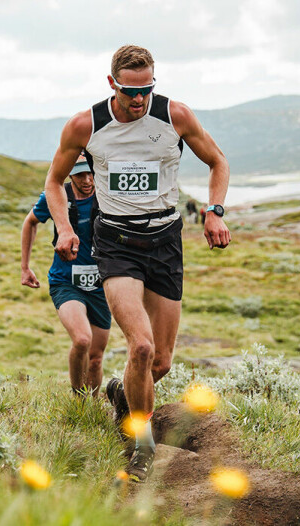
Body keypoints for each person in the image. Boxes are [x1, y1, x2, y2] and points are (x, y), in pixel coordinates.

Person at [44, 44, 231, 482]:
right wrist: (65, 228)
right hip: (116, 242)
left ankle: (120, 394)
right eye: (130, 91)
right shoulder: (86, 125)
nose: (139, 99)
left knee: (160, 362)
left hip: (165, 241)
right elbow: (53, 182)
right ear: (112, 83)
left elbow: (218, 161)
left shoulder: (175, 116)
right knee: (141, 347)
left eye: (147, 89)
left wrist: (214, 210)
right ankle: (142, 446)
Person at [20, 153, 111, 397]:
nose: (87, 180)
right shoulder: (56, 196)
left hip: (102, 284)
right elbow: (30, 222)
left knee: (95, 358)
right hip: (66, 281)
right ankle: (78, 400)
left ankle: (90, 407)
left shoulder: (106, 195)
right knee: (82, 340)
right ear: (69, 174)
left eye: (91, 173)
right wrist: (25, 267)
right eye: (80, 175)